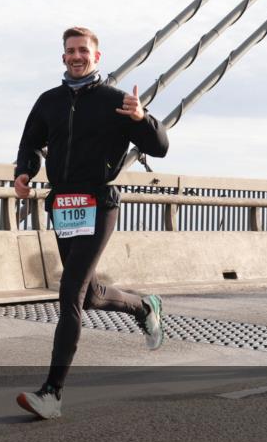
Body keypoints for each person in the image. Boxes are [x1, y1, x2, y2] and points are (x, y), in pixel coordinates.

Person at [13, 26, 169, 420]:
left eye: (83, 50)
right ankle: (143, 306)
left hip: (99, 203)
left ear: (97, 57)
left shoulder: (116, 102)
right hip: (63, 204)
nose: (76, 56)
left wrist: (143, 117)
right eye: (70, 51)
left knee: (69, 293)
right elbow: (30, 141)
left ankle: (52, 393)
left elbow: (159, 147)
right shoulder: (48, 101)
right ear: (63, 56)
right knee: (88, 293)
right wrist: (24, 172)